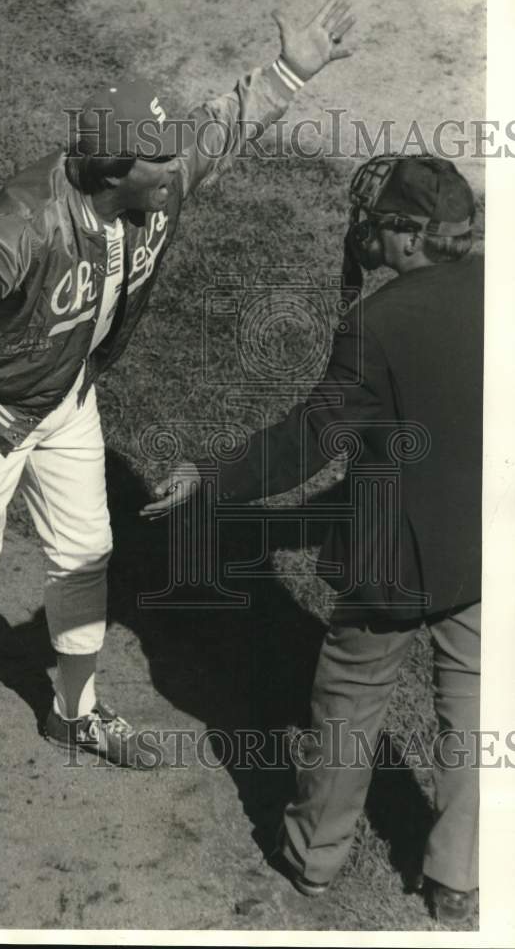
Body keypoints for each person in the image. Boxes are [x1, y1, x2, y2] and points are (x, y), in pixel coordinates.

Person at [0, 0, 356, 840]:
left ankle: (76, 711)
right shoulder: (31, 217)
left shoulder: (157, 179)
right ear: (113, 170)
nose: (175, 162)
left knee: (85, 553)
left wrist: (292, 68)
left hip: (66, 396)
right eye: (157, 155)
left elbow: (224, 124)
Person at [143, 153, 482, 925]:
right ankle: (456, 877)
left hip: (393, 569)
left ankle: (313, 858)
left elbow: (306, 442)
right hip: (489, 549)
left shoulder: (380, 323)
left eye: (380, 220)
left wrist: (210, 473)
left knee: (349, 701)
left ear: (406, 235)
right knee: (473, 711)